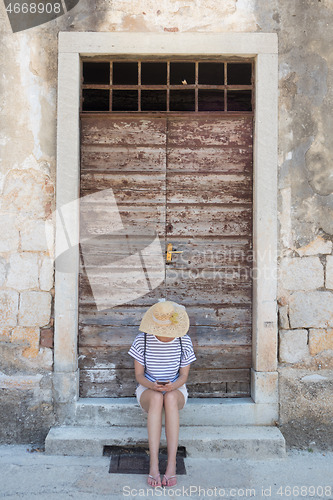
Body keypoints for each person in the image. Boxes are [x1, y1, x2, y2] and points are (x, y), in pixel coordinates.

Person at [128, 299, 196, 488]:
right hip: (149, 390)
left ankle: (172, 464)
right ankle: (154, 465)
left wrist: (172, 386)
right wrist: (153, 385)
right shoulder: (142, 339)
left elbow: (183, 376)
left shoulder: (184, 340)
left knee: (171, 398)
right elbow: (139, 376)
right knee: (158, 398)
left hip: (176, 390)